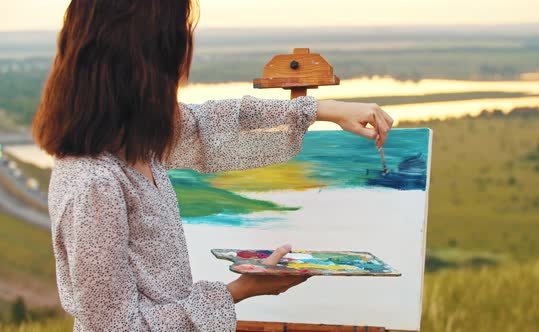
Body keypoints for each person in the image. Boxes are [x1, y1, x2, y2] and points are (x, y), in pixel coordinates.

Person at [32, 1, 393, 331]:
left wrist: (321, 110)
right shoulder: (95, 184)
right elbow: (115, 327)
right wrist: (240, 289)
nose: (187, 51)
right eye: (178, 39)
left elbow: (213, 123)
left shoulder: (137, 141)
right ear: (143, 61)